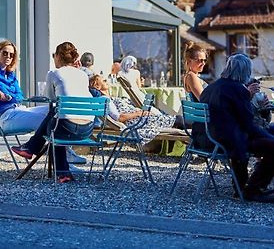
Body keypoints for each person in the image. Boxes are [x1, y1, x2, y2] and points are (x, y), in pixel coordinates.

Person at [11, 42, 94, 183]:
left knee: (55, 122)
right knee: (56, 119)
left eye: (54, 55)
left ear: (59, 56)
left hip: (66, 127)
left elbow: (49, 98)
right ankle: (61, 172)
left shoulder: (54, 73)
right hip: (87, 129)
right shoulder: (83, 75)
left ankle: (32, 148)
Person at [199, 53, 274, 202]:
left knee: (269, 135)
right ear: (245, 72)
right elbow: (248, 125)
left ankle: (245, 186)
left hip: (207, 138)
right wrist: (269, 137)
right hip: (228, 141)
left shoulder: (212, 87)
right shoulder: (237, 90)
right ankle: (253, 189)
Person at [0, 40, 48, 133]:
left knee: (53, 110)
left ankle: (43, 146)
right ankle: (37, 146)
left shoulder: (11, 75)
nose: (8, 57)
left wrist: (6, 96)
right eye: (5, 53)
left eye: (11, 55)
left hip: (20, 109)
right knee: (44, 120)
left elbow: (19, 97)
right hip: (7, 117)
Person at [89, 74, 181, 144]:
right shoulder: (105, 100)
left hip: (141, 120)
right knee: (179, 120)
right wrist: (139, 113)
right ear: (97, 86)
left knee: (179, 120)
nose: (107, 82)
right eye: (104, 81)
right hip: (137, 122)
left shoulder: (107, 99)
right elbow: (119, 118)